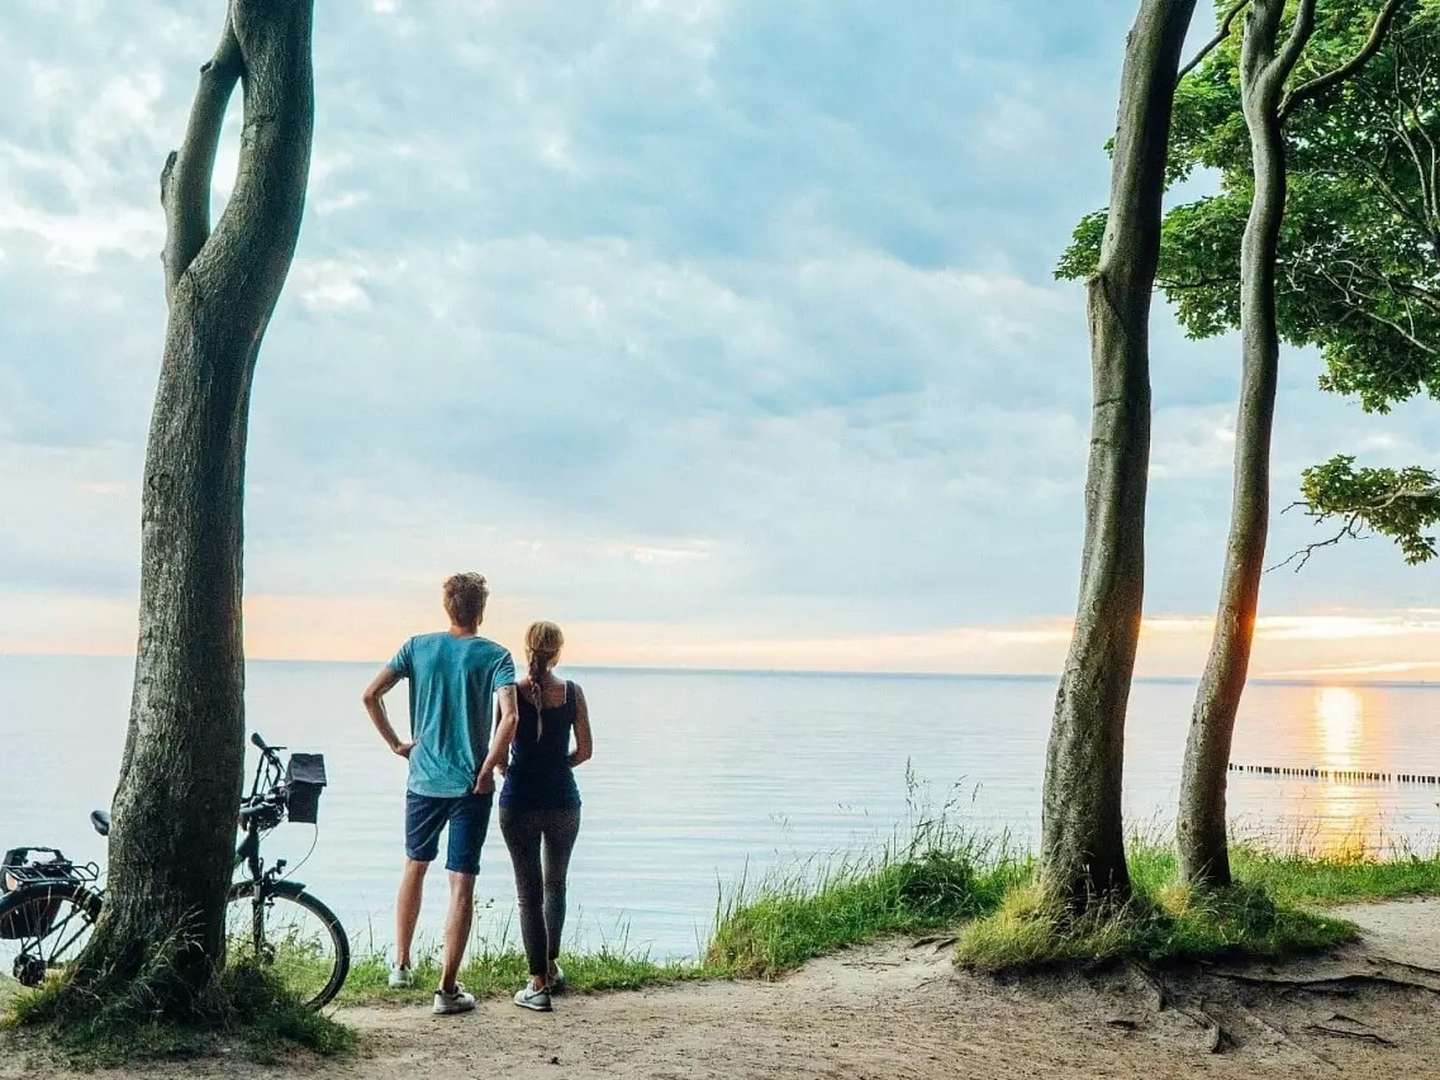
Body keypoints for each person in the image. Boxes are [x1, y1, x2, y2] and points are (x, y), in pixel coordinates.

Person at [362, 572, 518, 1016]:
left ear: (447, 607)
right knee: (461, 881)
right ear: (481, 610)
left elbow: (371, 695)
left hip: (424, 779)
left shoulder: (417, 647)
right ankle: (446, 990)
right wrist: (489, 767)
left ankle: (401, 963)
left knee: (415, 864)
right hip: (471, 785)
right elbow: (509, 718)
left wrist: (397, 744)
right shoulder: (496, 656)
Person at [479, 620, 592, 1012]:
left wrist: (508, 771)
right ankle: (551, 967)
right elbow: (585, 751)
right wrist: (558, 767)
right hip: (563, 801)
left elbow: (498, 746)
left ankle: (538, 983)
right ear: (558, 651)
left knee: (529, 895)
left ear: (526, 649)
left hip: (519, 802)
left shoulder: (510, 694)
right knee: (555, 887)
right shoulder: (573, 693)